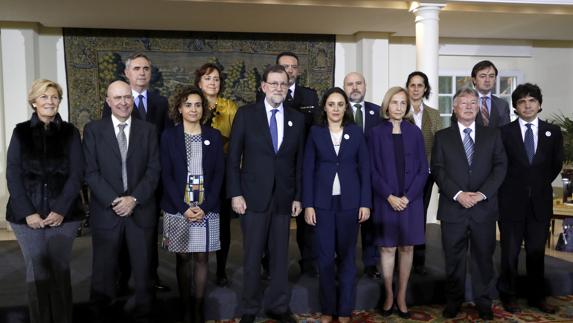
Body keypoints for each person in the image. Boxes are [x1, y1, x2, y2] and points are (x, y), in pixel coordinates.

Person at [227, 65, 305, 323]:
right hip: (252, 198)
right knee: (252, 257)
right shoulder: (246, 115)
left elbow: (299, 162)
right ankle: (249, 308)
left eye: (283, 84)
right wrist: (235, 194)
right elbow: (233, 158)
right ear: (263, 87)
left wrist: (298, 197)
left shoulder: (297, 118)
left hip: (284, 198)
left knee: (281, 257)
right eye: (273, 83)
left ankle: (279, 306)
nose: (278, 88)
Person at [6, 79, 84, 323]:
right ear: (34, 102)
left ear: (59, 101)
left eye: (54, 97)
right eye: (44, 97)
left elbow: (77, 173)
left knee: (60, 271)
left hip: (65, 216)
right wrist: (28, 212)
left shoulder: (70, 132)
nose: (50, 101)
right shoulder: (20, 131)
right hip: (26, 217)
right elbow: (13, 173)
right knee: (37, 271)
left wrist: (60, 209)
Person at [85, 80, 161, 323]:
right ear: (108, 101)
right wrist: (116, 200)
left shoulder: (148, 130)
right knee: (104, 272)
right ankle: (101, 314)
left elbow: (153, 170)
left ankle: (144, 314)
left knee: (143, 270)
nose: (123, 102)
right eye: (117, 98)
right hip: (107, 212)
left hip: (140, 211)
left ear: (132, 99)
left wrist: (134, 199)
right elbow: (90, 172)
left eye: (127, 97)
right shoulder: (93, 130)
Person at [431, 87, 507, 320]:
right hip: (453, 208)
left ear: (478, 107)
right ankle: (453, 302)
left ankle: (484, 302)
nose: (468, 106)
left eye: (473, 103)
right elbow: (438, 170)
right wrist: (458, 194)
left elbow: (500, 167)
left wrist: (482, 194)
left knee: (484, 258)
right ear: (454, 108)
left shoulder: (492, 135)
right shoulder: (442, 137)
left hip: (483, 208)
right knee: (453, 259)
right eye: (463, 103)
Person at [102, 52, 171, 292]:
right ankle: (123, 278)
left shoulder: (160, 103)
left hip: (149, 180)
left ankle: (150, 277)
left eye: (146, 69)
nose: (142, 72)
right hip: (121, 183)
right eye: (137, 68)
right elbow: (108, 143)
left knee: (148, 232)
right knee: (121, 236)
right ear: (127, 73)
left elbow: (165, 140)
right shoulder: (115, 100)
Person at [302, 87, 371, 323]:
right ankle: (328, 309)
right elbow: (308, 170)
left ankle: (344, 310)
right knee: (324, 259)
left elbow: (365, 169)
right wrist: (308, 204)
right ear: (324, 107)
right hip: (322, 204)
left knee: (348, 258)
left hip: (350, 204)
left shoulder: (355, 132)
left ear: (346, 107)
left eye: (340, 104)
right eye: (331, 104)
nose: (336, 109)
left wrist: (365, 202)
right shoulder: (315, 133)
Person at [497, 83, 563, 314]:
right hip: (510, 203)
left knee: (536, 253)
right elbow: (500, 166)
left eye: (532, 100)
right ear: (515, 106)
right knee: (510, 253)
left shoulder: (552, 132)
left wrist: (537, 184)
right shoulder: (504, 132)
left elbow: (555, 164)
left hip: (540, 203)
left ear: (539, 104)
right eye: (522, 101)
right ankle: (509, 296)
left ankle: (537, 297)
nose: (527, 105)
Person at [160, 86, 225, 323]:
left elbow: (219, 174)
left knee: (201, 258)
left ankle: (198, 307)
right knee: (182, 258)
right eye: (188, 104)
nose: (193, 109)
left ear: (203, 108)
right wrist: (183, 207)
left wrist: (205, 207)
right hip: (178, 205)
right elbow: (165, 175)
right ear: (179, 108)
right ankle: (185, 305)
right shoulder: (169, 136)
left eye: (198, 104)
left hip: (206, 205)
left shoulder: (214, 136)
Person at [368, 87, 428, 319]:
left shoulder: (414, 132)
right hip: (386, 200)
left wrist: (407, 197)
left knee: (407, 247)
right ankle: (388, 294)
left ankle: (402, 295)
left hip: (410, 201)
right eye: (395, 102)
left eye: (403, 103)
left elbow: (423, 170)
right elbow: (371, 170)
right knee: (387, 247)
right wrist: (390, 196)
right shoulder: (374, 133)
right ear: (387, 105)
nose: (399, 107)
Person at [194, 62, 238, 286]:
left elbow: (237, 140)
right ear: (199, 82)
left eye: (217, 79)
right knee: (195, 219)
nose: (213, 82)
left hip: (221, 172)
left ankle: (221, 269)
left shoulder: (230, 107)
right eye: (208, 78)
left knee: (222, 224)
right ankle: (197, 268)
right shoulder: (192, 105)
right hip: (195, 173)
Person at [277, 51, 320, 276]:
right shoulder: (267, 94)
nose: (289, 70)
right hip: (279, 165)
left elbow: (316, 129)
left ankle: (309, 262)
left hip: (304, 163)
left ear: (299, 71)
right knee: (276, 218)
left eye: (293, 66)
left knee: (306, 216)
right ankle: (272, 263)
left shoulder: (310, 96)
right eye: (285, 66)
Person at [343, 71, 382, 280]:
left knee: (370, 223)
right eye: (350, 84)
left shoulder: (378, 112)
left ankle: (370, 264)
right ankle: (345, 262)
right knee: (346, 224)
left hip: (371, 177)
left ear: (365, 86)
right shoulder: (338, 111)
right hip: (346, 176)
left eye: (359, 83)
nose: (355, 87)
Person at [405, 71, 443, 275]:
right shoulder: (400, 111)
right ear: (408, 87)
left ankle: (418, 262)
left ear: (426, 89)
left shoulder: (434, 114)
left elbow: (439, 144)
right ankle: (401, 258)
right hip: (402, 175)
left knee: (419, 216)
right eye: (413, 85)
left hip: (425, 174)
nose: (416, 89)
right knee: (403, 215)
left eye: (420, 85)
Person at [452, 60, 510, 128]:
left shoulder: (502, 105)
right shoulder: (462, 103)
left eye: (491, 76)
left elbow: (506, 133)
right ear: (474, 80)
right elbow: (455, 131)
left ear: (495, 80)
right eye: (483, 76)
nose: (487, 80)